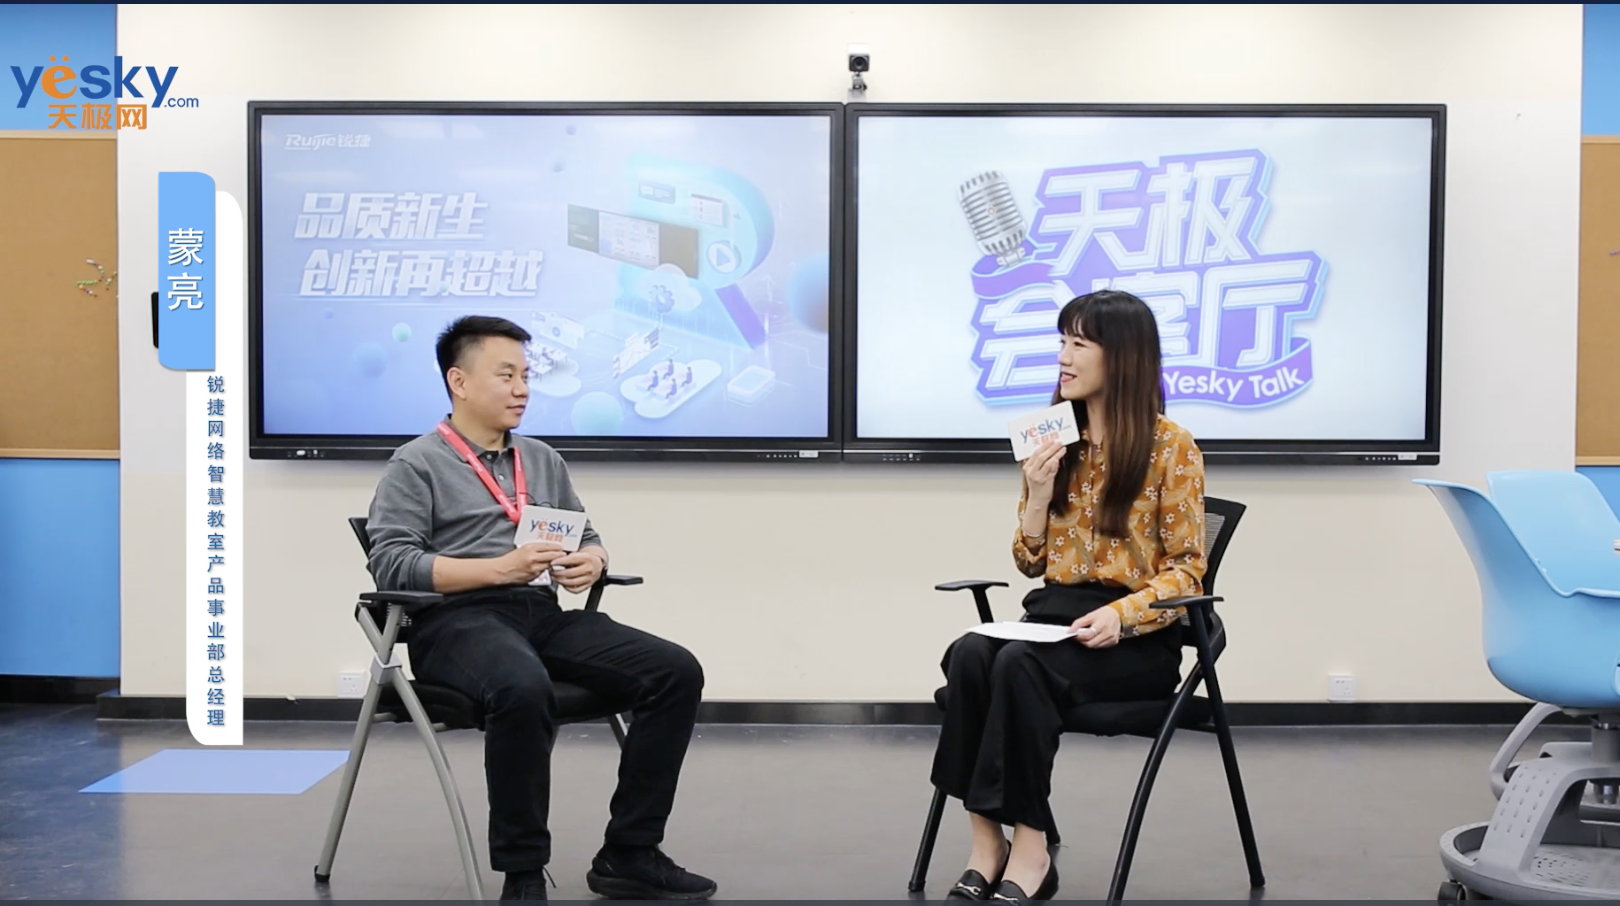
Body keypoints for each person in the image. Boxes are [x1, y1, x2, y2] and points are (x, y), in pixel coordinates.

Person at [365, 315, 717, 901]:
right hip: (456, 621)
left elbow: (587, 536)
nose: (523, 388)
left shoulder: (542, 459)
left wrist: (592, 561)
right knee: (522, 686)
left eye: (526, 376)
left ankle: (630, 852)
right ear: (459, 381)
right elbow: (393, 564)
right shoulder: (416, 463)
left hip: (540, 614)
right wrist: (497, 569)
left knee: (675, 670)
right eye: (506, 375)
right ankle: (523, 871)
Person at [930, 290, 1207, 904]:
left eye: (1079, 343)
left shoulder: (1171, 446)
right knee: (971, 653)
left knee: (1018, 666)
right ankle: (986, 844)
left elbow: (1188, 574)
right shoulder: (1053, 438)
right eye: (1062, 341)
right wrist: (1036, 493)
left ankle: (1031, 850)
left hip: (1134, 641)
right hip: (1054, 622)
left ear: (1123, 356)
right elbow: (1030, 563)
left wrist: (1121, 615)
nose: (1063, 357)